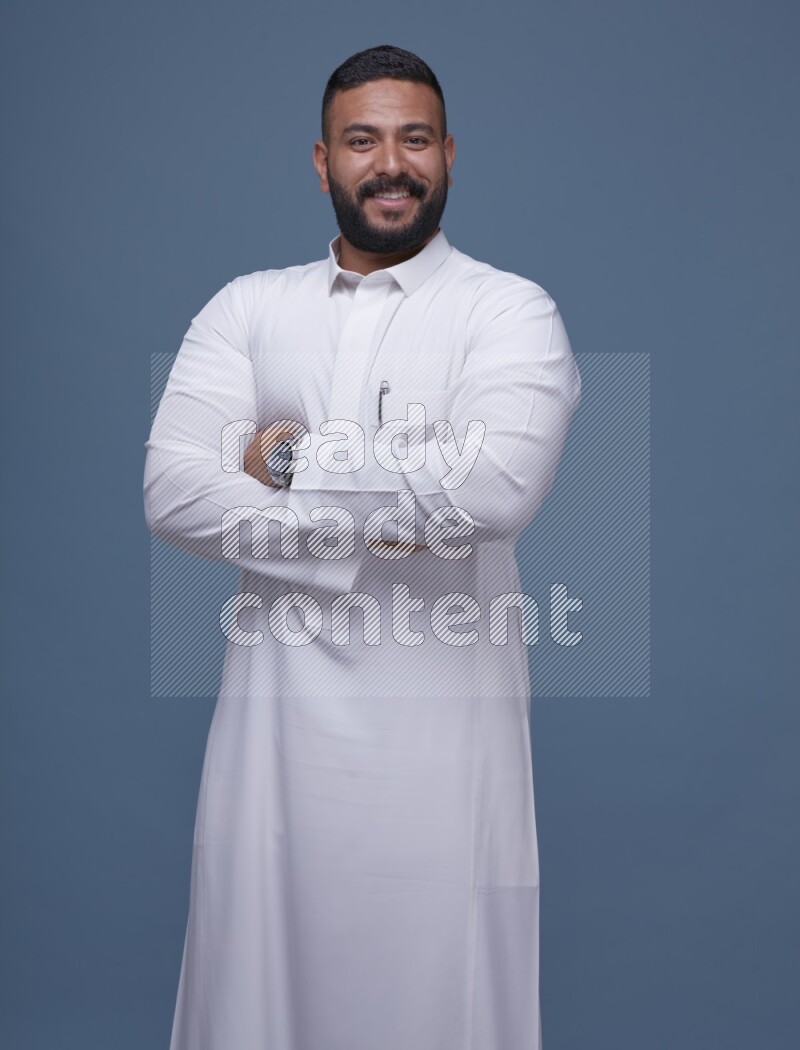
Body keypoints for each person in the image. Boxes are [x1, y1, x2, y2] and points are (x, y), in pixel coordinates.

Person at [144, 43, 582, 1050]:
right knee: (258, 999)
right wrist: (392, 502)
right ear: (322, 161)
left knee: (436, 997)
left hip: (444, 751)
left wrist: (286, 458)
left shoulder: (507, 311)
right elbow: (172, 491)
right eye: (361, 141)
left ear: (449, 154)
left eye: (414, 139)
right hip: (271, 744)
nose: (390, 164)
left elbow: (490, 491)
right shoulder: (249, 308)